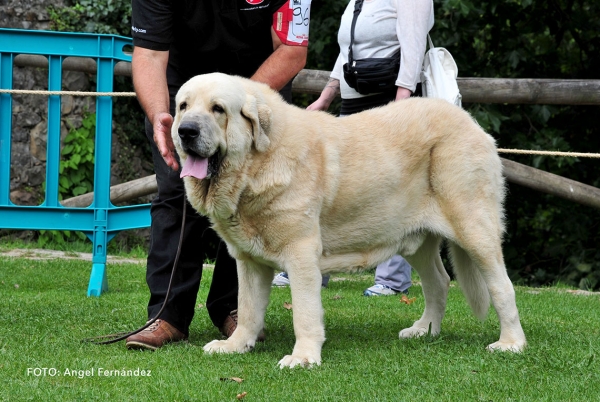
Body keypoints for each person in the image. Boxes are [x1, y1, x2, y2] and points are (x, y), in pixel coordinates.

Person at [125, 0, 312, 350]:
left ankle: (235, 311)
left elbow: (292, 49)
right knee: (174, 194)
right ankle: (167, 315)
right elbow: (149, 55)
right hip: (183, 93)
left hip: (255, 96)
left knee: (250, 201)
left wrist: (240, 108)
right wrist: (160, 116)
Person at [306, 0, 434, 297]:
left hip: (389, 101)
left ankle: (390, 280)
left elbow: (413, 45)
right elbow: (345, 51)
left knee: (395, 191)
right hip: (353, 104)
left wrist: (401, 107)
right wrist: (326, 97)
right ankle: (315, 268)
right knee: (336, 190)